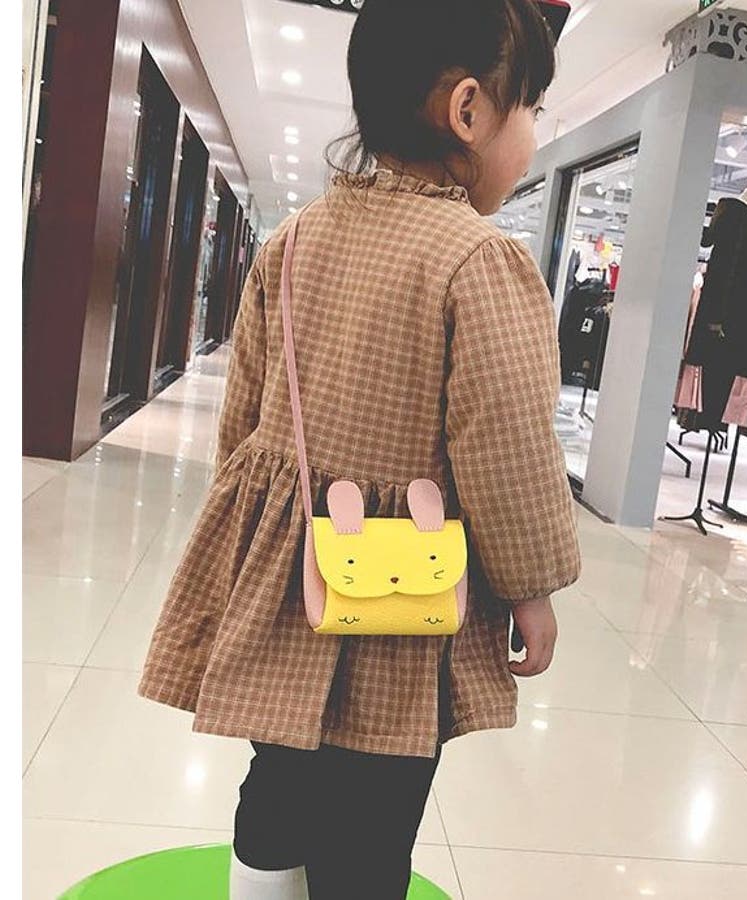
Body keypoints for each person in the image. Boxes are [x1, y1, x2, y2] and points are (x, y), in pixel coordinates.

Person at [137, 1, 582, 897]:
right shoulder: (479, 261)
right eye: (532, 110)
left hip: (290, 567)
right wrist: (531, 587)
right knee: (376, 807)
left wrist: (245, 547)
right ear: (468, 111)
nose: (535, 136)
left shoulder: (295, 240)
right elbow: (507, 450)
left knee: (277, 775)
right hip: (397, 589)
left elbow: (246, 419)